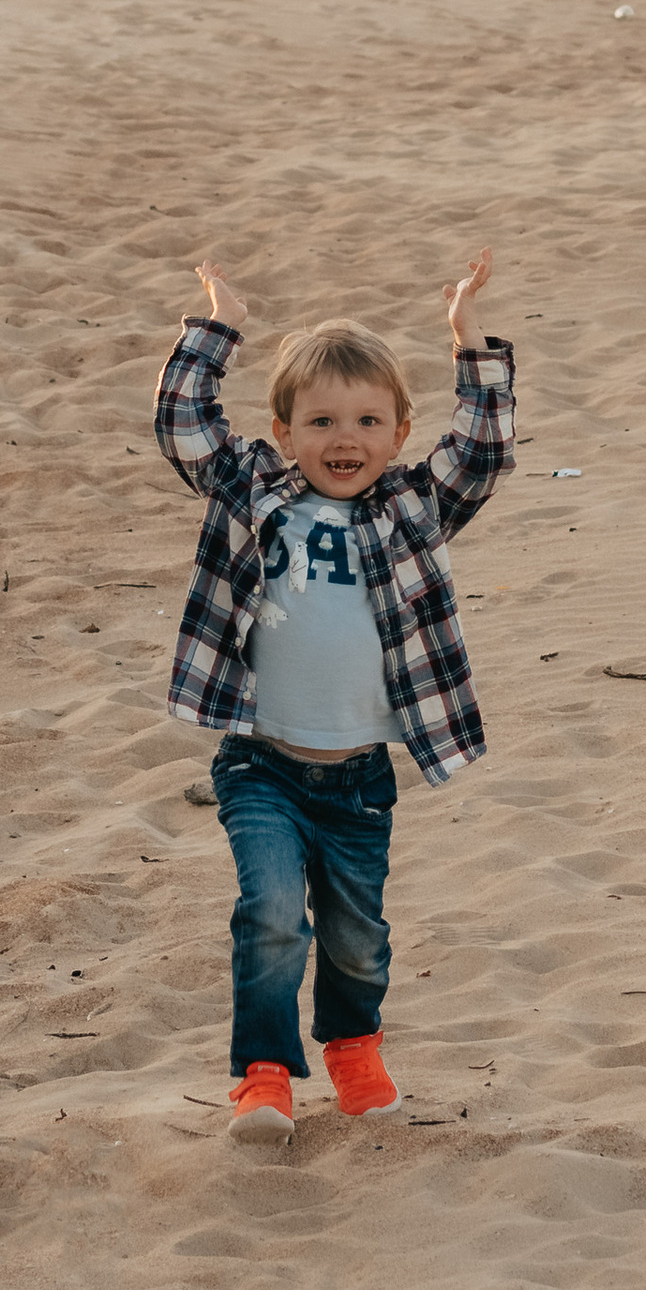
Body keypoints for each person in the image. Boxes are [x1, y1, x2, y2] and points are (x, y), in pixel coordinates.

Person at [153, 249, 515, 1135]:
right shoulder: (254, 493)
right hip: (262, 766)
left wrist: (468, 339)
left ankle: (352, 1047)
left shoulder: (413, 510)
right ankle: (264, 1076)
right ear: (282, 433)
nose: (341, 439)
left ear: (398, 435)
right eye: (318, 421)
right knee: (271, 915)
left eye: (365, 421)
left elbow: (483, 451)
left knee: (358, 941)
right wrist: (219, 324)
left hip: (358, 781)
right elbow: (185, 425)